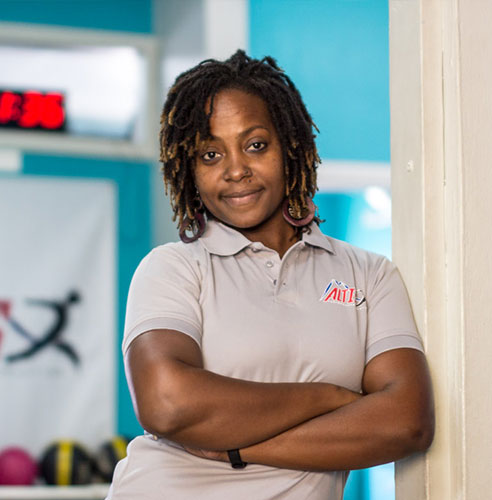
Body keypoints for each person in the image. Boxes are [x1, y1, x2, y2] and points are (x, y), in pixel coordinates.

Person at [106, 50, 434, 500]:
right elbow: (166, 403)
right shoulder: (173, 268)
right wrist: (328, 397)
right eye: (210, 154)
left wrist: (235, 448)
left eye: (255, 145)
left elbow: (406, 423)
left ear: (291, 146)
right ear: (191, 171)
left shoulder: (370, 275)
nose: (235, 170)